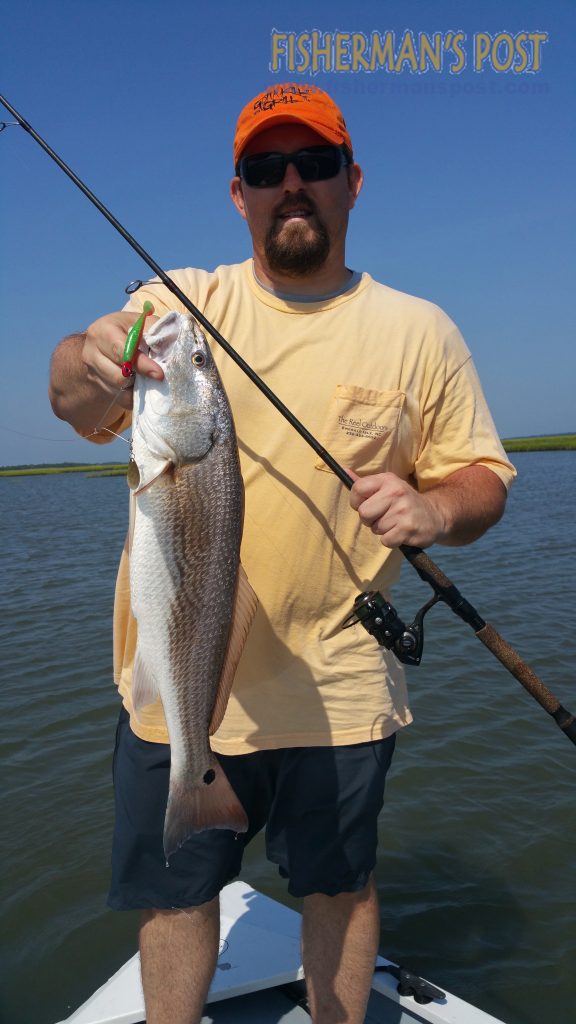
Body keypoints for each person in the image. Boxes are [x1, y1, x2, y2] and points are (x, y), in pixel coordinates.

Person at [49, 82, 515, 1024]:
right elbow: (75, 393)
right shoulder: (181, 309)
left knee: (340, 891)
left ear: (353, 182)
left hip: (340, 688)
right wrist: (91, 354)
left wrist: (436, 507)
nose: (291, 183)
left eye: (315, 165)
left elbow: (485, 477)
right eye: (267, 168)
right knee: (174, 898)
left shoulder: (419, 330)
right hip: (172, 690)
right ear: (239, 193)